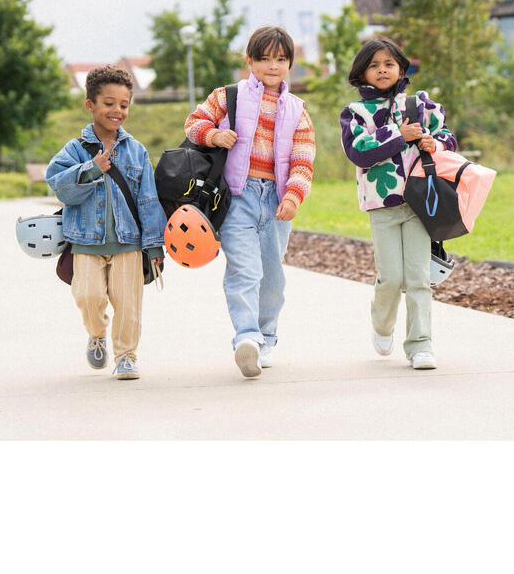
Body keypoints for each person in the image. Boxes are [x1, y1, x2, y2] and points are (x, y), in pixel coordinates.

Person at [184, 26, 316, 378]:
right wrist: (213, 134)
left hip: (275, 201)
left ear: (290, 63)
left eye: (281, 59)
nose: (272, 66)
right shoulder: (229, 96)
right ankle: (246, 338)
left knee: (272, 279)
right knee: (245, 270)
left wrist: (293, 195)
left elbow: (304, 159)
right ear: (250, 61)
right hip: (237, 197)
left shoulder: (297, 110)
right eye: (264, 58)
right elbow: (193, 123)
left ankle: (267, 336)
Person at [340, 36, 456, 370]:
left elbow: (448, 136)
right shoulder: (355, 113)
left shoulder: (420, 104)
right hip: (382, 204)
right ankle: (382, 324)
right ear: (362, 73)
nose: (382, 70)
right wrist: (397, 137)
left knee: (419, 277)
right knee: (390, 278)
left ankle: (421, 344)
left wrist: (436, 143)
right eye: (373, 65)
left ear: (401, 68)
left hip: (421, 201)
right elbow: (358, 152)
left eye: (389, 64)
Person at [46, 65, 165, 380]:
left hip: (129, 242)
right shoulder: (74, 150)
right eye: (109, 103)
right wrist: (90, 169)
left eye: (124, 104)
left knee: (128, 305)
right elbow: (57, 183)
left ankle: (126, 356)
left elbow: (148, 200)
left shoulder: (136, 151)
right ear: (91, 106)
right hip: (85, 240)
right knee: (88, 296)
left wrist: (154, 246)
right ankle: (97, 333)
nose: (117, 111)